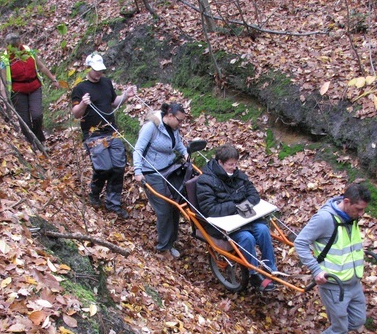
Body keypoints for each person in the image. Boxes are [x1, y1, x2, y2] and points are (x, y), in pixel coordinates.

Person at [294, 183, 371, 334]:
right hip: (334, 285)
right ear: (346, 202)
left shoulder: (350, 217)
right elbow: (300, 242)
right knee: (340, 327)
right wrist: (316, 270)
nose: (362, 214)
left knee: (357, 319)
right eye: (359, 209)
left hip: (353, 281)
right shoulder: (325, 219)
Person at [196, 144, 277, 291]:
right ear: (220, 163)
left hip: (244, 219)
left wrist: (242, 205)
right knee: (247, 238)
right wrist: (236, 206)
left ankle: (270, 267)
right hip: (225, 225)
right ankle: (254, 274)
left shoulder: (238, 175)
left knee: (263, 229)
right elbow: (210, 209)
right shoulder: (206, 181)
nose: (234, 167)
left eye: (236, 164)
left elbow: (254, 195)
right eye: (230, 164)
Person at [71, 52, 135, 218]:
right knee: (103, 167)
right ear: (88, 68)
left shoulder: (106, 83)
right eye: (95, 70)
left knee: (119, 167)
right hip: (93, 135)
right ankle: (94, 193)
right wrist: (83, 105)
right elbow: (76, 114)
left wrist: (126, 96)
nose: (98, 73)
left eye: (100, 70)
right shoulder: (80, 88)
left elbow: (114, 102)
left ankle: (113, 203)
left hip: (111, 131)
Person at [133, 102, 190, 258]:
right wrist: (138, 171)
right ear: (170, 116)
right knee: (164, 210)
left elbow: (177, 143)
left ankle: (170, 242)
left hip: (170, 170)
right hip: (152, 173)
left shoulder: (173, 128)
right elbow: (138, 149)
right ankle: (163, 248)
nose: (180, 124)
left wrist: (184, 152)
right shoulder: (151, 127)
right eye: (179, 120)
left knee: (175, 206)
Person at [0, 33, 59, 144]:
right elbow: (3, 82)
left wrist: (53, 79)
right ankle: (32, 143)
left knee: (37, 115)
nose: (16, 49)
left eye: (17, 45)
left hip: (34, 87)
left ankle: (39, 139)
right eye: (13, 47)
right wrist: (4, 99)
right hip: (18, 92)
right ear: (7, 46)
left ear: (20, 42)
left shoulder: (28, 51)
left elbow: (41, 66)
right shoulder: (5, 59)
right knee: (25, 121)